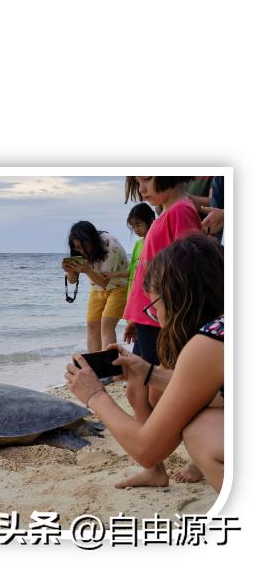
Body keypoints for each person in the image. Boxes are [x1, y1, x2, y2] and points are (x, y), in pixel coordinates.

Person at [66, 234, 223, 492]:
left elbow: (146, 449)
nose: (157, 317)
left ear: (178, 299)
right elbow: (222, 395)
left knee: (202, 433)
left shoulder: (209, 342)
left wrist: (94, 395)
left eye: (154, 306)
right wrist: (150, 374)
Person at [115, 176, 203, 487]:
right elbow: (147, 272)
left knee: (162, 390)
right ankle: (155, 466)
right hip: (148, 319)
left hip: (165, 322)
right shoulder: (167, 212)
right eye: (137, 182)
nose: (141, 188)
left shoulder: (180, 212)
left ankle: (193, 458)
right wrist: (135, 317)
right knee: (140, 389)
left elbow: (193, 270)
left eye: (147, 179)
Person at [63, 221, 129, 353]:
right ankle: (94, 366)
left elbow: (104, 282)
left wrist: (87, 270)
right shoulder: (78, 250)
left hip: (119, 286)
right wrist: (69, 270)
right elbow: (72, 281)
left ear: (92, 240)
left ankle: (109, 366)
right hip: (96, 288)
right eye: (77, 247)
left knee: (106, 325)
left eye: (83, 246)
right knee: (92, 325)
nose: (81, 251)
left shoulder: (110, 247)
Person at [123, 203, 155, 306]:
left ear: (150, 221)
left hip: (148, 298)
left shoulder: (155, 242)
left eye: (138, 225)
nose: (136, 229)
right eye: (133, 226)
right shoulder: (138, 244)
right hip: (133, 295)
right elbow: (132, 271)